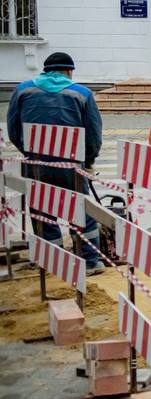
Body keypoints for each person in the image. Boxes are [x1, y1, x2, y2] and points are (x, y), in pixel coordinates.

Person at [7, 52, 104, 272]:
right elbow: (93, 136)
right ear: (69, 71)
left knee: (42, 209)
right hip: (71, 163)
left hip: (36, 163)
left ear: (46, 70)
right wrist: (88, 162)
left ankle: (53, 261)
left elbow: (13, 129)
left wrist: (30, 152)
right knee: (79, 208)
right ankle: (89, 261)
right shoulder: (82, 94)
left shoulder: (23, 90)